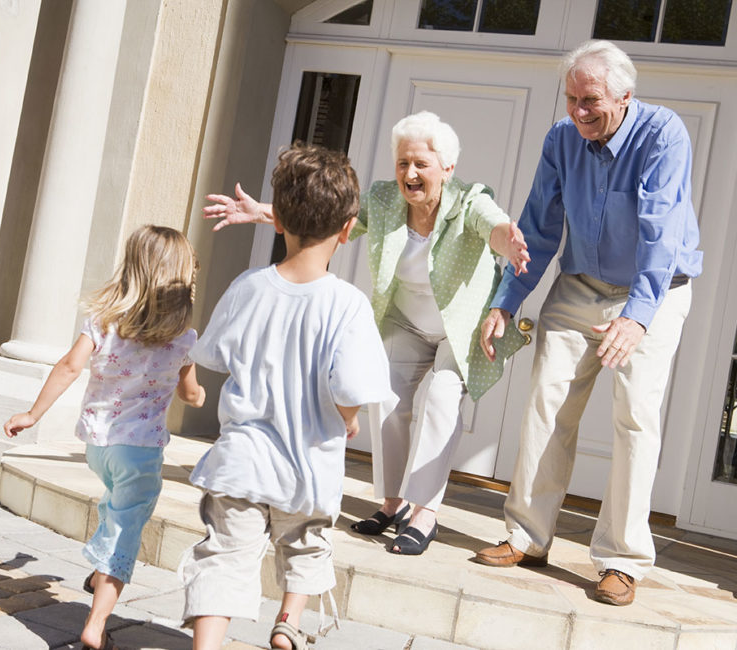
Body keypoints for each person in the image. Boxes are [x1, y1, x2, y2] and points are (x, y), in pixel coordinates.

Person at [203, 111, 529, 556]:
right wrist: (265, 212)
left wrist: (506, 241)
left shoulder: (470, 201)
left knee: (440, 399)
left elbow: (492, 225)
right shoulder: (382, 199)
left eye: (420, 165)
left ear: (447, 169)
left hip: (459, 327)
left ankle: (425, 511)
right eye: (402, 164)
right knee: (389, 399)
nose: (409, 174)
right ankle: (393, 502)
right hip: (406, 320)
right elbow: (329, 218)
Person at [475, 40, 703, 607]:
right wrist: (508, 300)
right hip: (579, 286)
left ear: (626, 96)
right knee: (547, 404)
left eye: (591, 100)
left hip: (656, 288)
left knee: (634, 417)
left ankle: (622, 559)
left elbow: (660, 230)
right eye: (572, 98)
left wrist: (639, 316)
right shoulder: (561, 139)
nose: (578, 111)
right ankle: (527, 536)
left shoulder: (663, 133)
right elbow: (539, 225)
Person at [179, 143, 394, 650]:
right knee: (306, 545)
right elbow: (350, 388)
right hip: (309, 464)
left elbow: (213, 356)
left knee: (225, 556)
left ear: (277, 221)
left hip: (242, 461)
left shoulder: (248, 287)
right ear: (348, 229)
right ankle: (287, 623)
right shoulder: (349, 305)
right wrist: (350, 417)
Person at [3, 225, 206, 650]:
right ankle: (96, 625)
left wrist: (32, 413)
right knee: (126, 533)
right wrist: (200, 393)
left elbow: (67, 367)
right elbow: (191, 395)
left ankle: (97, 573)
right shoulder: (183, 339)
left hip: (97, 446)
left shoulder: (102, 322)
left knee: (115, 509)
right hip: (142, 452)